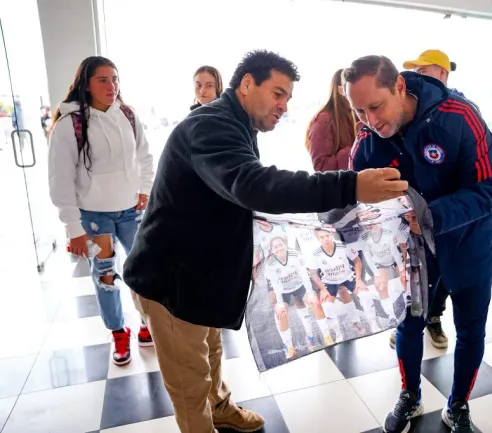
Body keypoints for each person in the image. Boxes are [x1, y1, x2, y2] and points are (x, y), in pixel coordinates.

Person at [122, 50, 408, 433]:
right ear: (246, 84)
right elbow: (254, 185)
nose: (283, 106)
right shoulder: (209, 126)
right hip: (172, 283)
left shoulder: (236, 126)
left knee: (211, 351)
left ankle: (220, 407)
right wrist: (351, 185)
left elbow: (235, 195)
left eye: (287, 98)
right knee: (190, 380)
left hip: (201, 277)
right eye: (277, 93)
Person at [345, 55, 492, 433]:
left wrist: (431, 213)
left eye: (376, 107)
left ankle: (459, 405)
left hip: (468, 248)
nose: (370, 121)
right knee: (409, 327)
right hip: (410, 257)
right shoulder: (367, 141)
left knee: (470, 332)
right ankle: (410, 396)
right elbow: (351, 200)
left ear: (399, 86)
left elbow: (486, 189)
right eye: (360, 112)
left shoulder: (460, 118)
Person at [47, 56, 155, 366]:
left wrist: (144, 189)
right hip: (95, 218)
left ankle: (146, 323)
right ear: (86, 84)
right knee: (106, 275)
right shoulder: (69, 125)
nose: (112, 86)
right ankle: (118, 332)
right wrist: (73, 228)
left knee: (143, 270)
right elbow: (60, 180)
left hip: (131, 211)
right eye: (103, 80)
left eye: (115, 79)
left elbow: (145, 157)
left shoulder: (128, 115)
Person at [398, 48, 480, 350]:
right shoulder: (409, 111)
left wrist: (437, 213)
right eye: (415, 71)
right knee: (416, 277)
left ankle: (434, 318)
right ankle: (409, 324)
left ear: (442, 74)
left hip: (448, 218)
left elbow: (480, 184)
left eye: (423, 70)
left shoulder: (462, 111)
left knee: (443, 275)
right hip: (415, 219)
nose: (416, 77)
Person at [305, 68, 357, 171]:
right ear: (341, 90)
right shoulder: (323, 120)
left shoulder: (361, 115)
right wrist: (354, 152)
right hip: (341, 184)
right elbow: (321, 167)